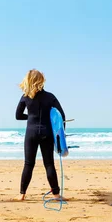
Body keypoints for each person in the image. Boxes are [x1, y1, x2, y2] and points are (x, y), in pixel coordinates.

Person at [14, 69, 67, 201]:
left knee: (28, 164)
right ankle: (56, 194)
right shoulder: (50, 97)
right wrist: (59, 137)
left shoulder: (25, 97)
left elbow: (18, 116)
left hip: (31, 132)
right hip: (46, 133)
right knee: (49, 164)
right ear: (41, 80)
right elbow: (61, 116)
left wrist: (32, 116)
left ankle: (22, 194)